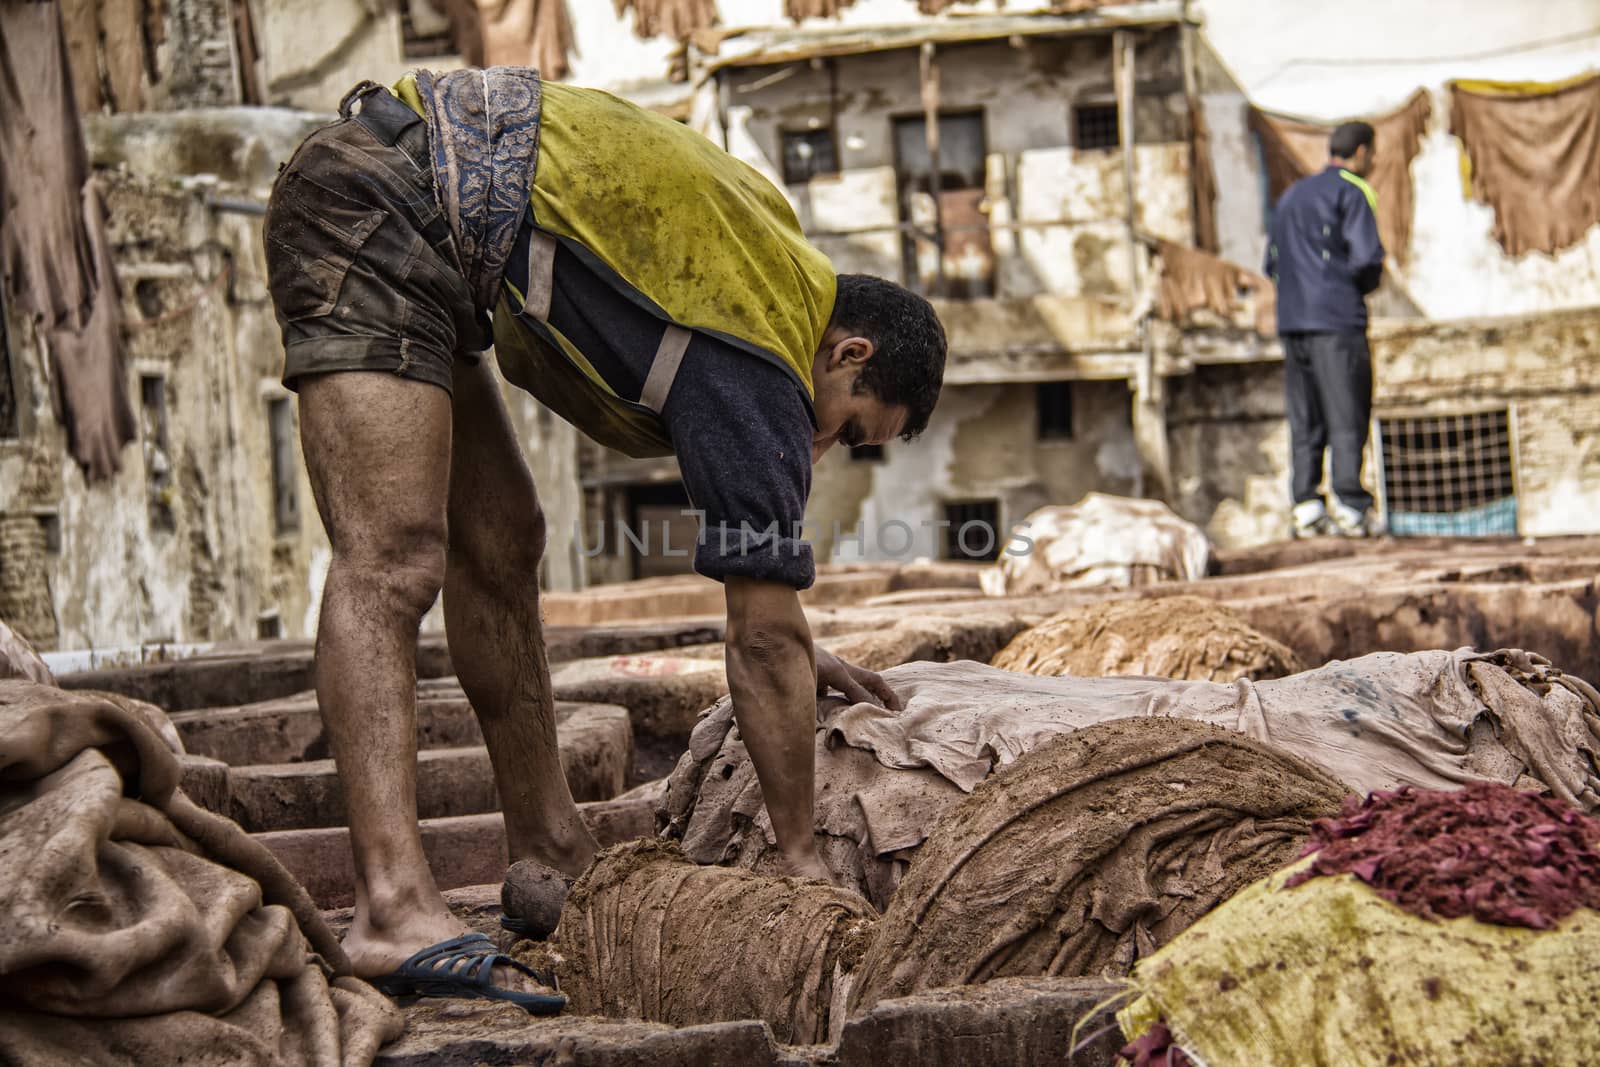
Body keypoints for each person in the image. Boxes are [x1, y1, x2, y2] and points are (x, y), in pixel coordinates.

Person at [262, 68, 947, 1008]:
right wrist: (798, 862)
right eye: (847, 426)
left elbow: (768, 621)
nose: (820, 449)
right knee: (393, 558)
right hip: (377, 207)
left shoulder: (776, 272)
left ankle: (546, 840)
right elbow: (756, 636)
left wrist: (793, 640)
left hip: (438, 230)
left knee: (503, 543)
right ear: (849, 353)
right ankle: (390, 907)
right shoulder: (764, 364)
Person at [1265, 120, 1386, 538]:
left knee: (1306, 415)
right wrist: (1355, 288)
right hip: (1336, 320)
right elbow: (1367, 258)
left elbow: (1272, 263)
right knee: (1347, 410)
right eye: (1373, 154)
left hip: (1293, 321)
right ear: (1362, 152)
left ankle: (1306, 504)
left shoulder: (1291, 196)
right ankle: (1351, 505)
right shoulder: (1353, 190)